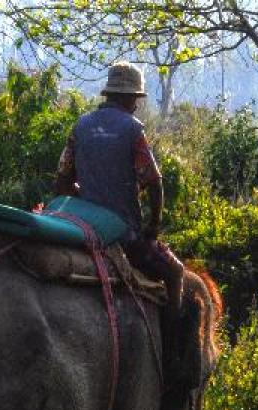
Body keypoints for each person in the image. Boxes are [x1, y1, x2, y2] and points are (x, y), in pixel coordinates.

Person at [54, 62, 185, 311]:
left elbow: (61, 181)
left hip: (81, 227)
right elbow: (154, 182)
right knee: (175, 272)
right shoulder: (132, 129)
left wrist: (86, 198)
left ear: (109, 94)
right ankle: (172, 334)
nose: (136, 105)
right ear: (129, 98)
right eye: (136, 99)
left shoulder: (81, 126)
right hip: (122, 233)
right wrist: (153, 227)